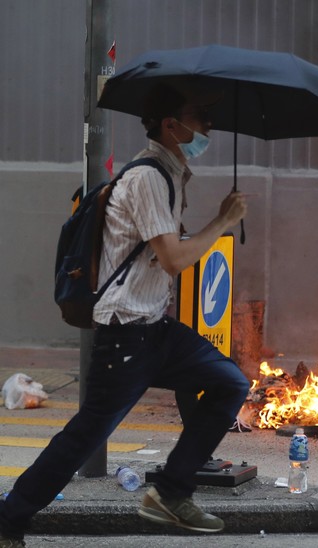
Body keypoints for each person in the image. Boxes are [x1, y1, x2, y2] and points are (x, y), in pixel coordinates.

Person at [0, 82, 250, 546]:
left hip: (155, 328)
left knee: (230, 381)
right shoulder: (149, 177)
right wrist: (222, 222)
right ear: (171, 125)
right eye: (200, 116)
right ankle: (10, 517)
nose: (209, 126)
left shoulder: (172, 174)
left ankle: (171, 493)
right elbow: (174, 257)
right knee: (84, 438)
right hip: (126, 335)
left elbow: (158, 257)